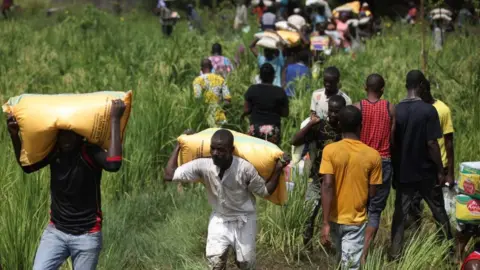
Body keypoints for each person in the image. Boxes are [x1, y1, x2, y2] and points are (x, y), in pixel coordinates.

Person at [6, 100, 126, 269]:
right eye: (61, 134)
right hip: (56, 232)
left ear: (79, 135)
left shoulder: (89, 152)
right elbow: (28, 166)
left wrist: (114, 119)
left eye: (70, 133)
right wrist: (14, 135)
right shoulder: (54, 152)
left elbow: (114, 164)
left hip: (87, 235)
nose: (65, 138)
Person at [163, 129, 289, 270]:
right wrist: (179, 144)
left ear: (231, 150)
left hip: (245, 218)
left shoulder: (245, 169)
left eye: (221, 150)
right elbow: (169, 175)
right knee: (215, 262)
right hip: (220, 218)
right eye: (213, 149)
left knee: (245, 263)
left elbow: (264, 191)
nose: (215, 153)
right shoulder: (203, 165)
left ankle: (240, 258)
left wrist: (278, 169)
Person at [389, 70, 452, 259]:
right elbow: (432, 144)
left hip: (404, 172)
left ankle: (395, 253)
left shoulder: (397, 110)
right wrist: (441, 170)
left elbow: (392, 143)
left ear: (406, 86)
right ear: (422, 85)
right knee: (438, 211)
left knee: (400, 214)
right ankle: (448, 252)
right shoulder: (428, 110)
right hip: (426, 172)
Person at [320, 105, 382, 269]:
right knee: (350, 265)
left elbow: (327, 185)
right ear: (360, 126)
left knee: (341, 262)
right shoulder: (373, 155)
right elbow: (373, 192)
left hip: (333, 218)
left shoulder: (329, 150)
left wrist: (325, 222)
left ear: (339, 125)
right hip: (355, 220)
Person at [290, 95, 346, 248]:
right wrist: (309, 125)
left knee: (335, 217)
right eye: (331, 111)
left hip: (338, 181)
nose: (333, 115)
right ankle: (306, 245)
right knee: (309, 213)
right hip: (317, 177)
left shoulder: (346, 131)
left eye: (337, 112)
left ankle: (333, 248)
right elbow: (295, 141)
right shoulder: (319, 127)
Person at [353, 74, 395, 263]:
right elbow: (393, 138)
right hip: (383, 161)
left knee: (358, 205)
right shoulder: (389, 108)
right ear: (382, 89)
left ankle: (352, 247)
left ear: (365, 87)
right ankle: (364, 254)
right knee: (375, 210)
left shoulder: (357, 107)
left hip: (361, 161)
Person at [243, 63, 289, 145]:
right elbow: (285, 113)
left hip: (255, 129)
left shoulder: (252, 89)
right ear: (273, 76)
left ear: (260, 76)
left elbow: (246, 110)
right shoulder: (280, 92)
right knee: (272, 154)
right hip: (273, 130)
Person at [193, 59, 232, 128]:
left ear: (201, 69)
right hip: (219, 118)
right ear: (211, 67)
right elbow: (227, 101)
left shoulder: (197, 81)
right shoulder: (220, 79)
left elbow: (197, 99)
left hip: (203, 120)